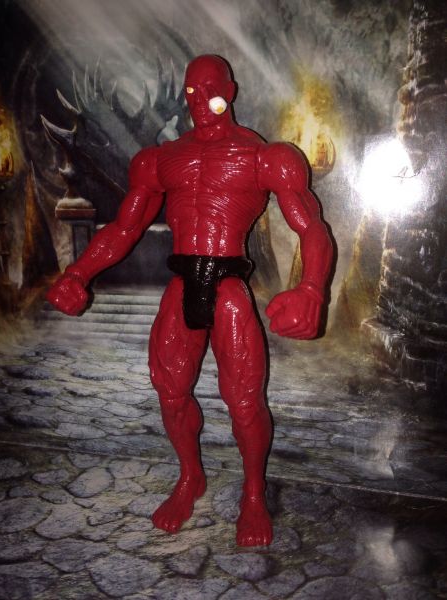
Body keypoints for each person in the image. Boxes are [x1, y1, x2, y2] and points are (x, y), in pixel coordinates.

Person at [47, 54, 333, 546]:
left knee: (245, 403)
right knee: (171, 392)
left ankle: (253, 494)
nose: (201, 102)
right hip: (181, 285)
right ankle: (190, 477)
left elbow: (312, 228)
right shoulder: (161, 160)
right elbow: (125, 227)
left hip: (228, 289)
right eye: (192, 94)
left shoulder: (266, 157)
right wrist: (78, 273)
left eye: (211, 92)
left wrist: (312, 289)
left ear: (231, 91)